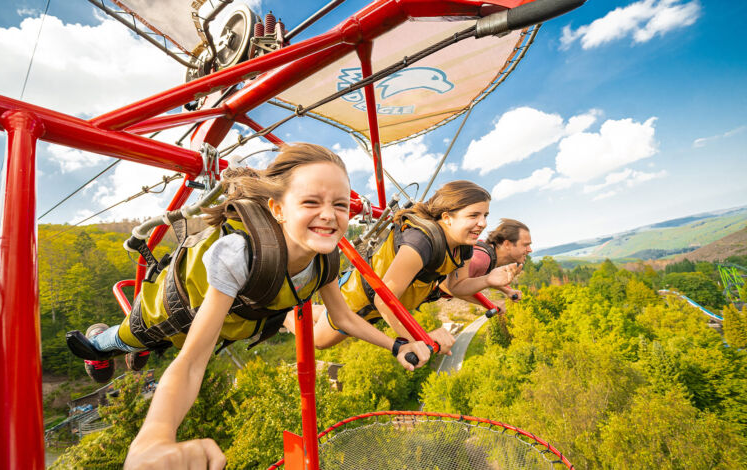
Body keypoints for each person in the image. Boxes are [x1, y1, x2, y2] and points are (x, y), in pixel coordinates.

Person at [66, 143, 431, 470]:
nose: (330, 215)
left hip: (233, 324)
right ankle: (98, 345)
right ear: (278, 209)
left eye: (339, 204)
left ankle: (135, 351)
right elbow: (193, 361)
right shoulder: (240, 254)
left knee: (145, 345)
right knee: (132, 335)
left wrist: (397, 346)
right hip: (176, 313)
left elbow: (343, 317)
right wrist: (153, 439)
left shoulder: (324, 260)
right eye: (311, 202)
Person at [293, 180, 521, 351]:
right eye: (473, 216)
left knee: (325, 319)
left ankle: (307, 310)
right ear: (447, 217)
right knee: (317, 341)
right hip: (360, 298)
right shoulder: (421, 242)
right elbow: (384, 299)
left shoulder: (463, 246)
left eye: (485, 215)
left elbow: (457, 286)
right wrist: (418, 340)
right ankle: (285, 315)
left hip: (386, 305)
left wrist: (488, 280)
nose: (482, 223)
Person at [434, 218, 532, 311]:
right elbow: (444, 283)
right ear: (507, 244)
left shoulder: (489, 254)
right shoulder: (481, 259)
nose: (530, 250)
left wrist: (508, 290)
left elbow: (483, 277)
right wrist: (488, 303)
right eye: (525, 245)